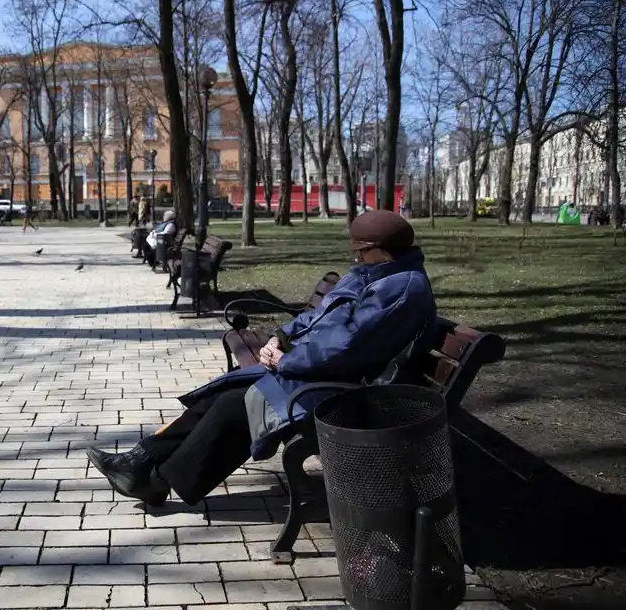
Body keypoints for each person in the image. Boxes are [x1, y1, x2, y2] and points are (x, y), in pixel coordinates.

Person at [87, 210, 437, 506]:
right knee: (219, 396)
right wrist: (279, 339)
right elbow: (312, 319)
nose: (355, 256)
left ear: (384, 250)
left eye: (361, 249)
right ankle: (140, 462)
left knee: (234, 407)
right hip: (314, 372)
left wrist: (283, 361)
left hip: (347, 391)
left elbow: (350, 348)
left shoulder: (401, 289)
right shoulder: (371, 273)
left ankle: (158, 480)